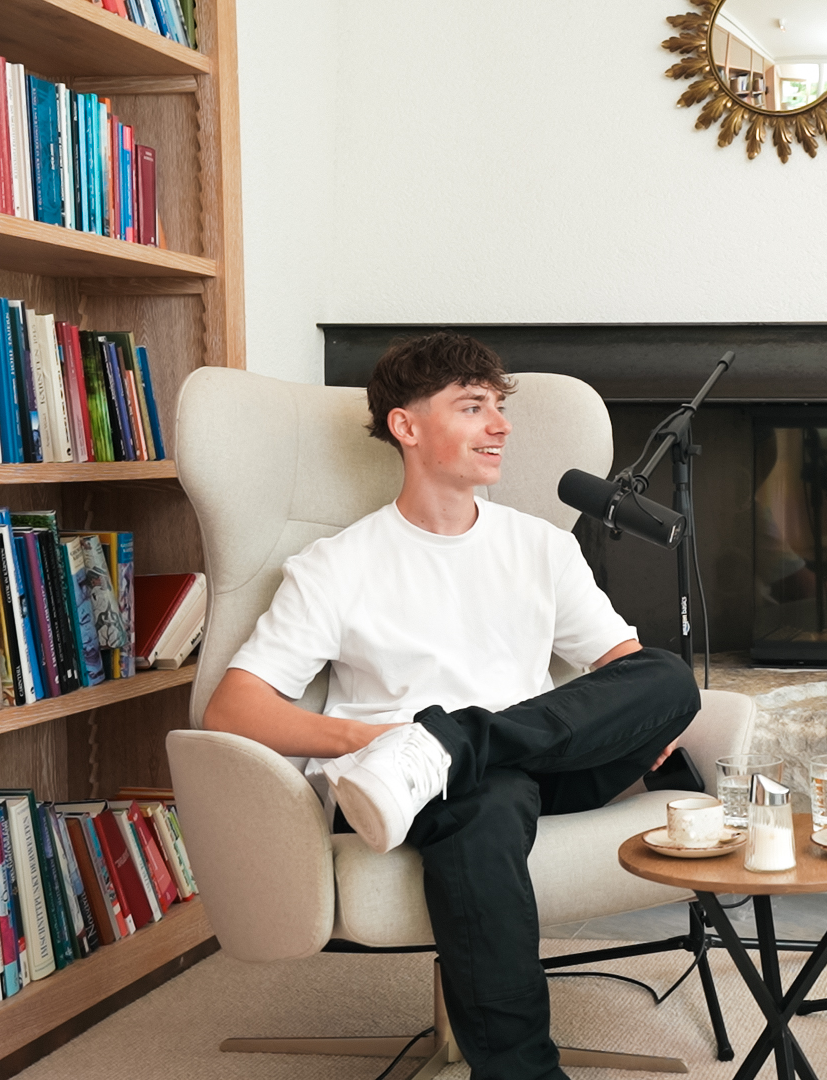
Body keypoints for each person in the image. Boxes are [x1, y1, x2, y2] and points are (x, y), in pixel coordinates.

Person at [201, 332, 703, 1080]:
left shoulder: (542, 547)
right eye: (473, 407)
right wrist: (374, 740)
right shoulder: (338, 566)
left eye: (499, 407)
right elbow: (232, 710)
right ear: (405, 426)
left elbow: (627, 669)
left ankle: (450, 743)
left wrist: (640, 719)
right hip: (402, 788)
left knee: (668, 679)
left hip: (543, 762)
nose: (500, 425)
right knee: (485, 801)